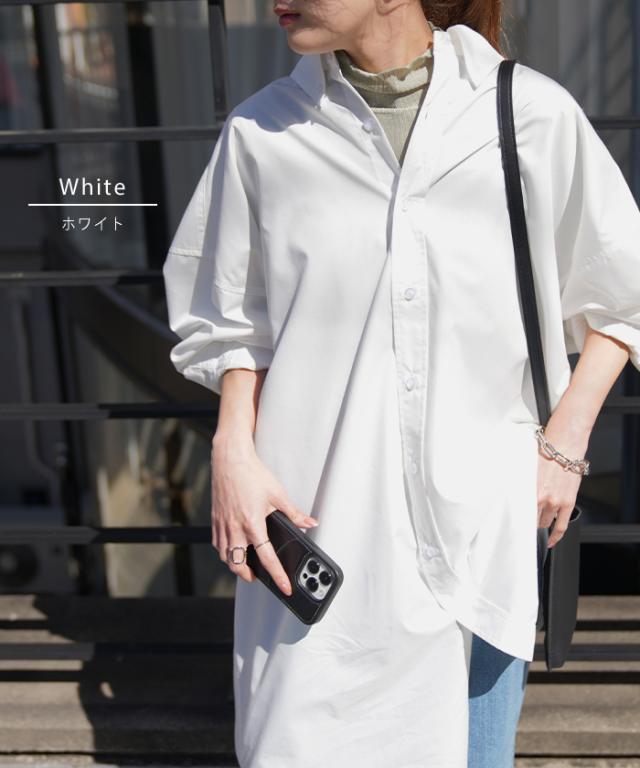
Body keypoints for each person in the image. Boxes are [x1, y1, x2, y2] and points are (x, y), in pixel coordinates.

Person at [162, 1, 640, 766]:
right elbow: (230, 321)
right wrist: (233, 451)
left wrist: (565, 445)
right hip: (322, 540)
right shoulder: (263, 132)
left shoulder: (526, 115)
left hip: (479, 540)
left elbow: (624, 295)